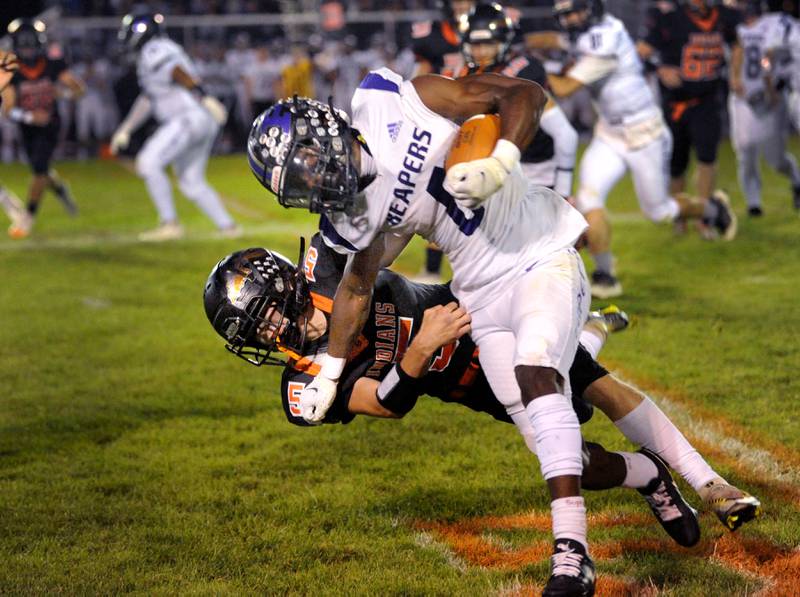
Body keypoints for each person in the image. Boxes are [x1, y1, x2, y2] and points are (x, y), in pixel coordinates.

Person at [246, 74, 600, 594]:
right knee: (554, 411)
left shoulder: (386, 100)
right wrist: (333, 368)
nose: (316, 187)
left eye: (310, 169)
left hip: (516, 256)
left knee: (564, 380)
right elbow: (359, 288)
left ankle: (573, 551)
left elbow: (526, 94)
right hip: (472, 301)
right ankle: (655, 477)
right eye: (301, 187)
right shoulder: (346, 223)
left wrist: (499, 159)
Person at [202, 235, 761, 540]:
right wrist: (421, 349)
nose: (272, 333)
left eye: (268, 315)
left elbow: (375, 233)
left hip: (474, 312)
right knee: (573, 459)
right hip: (468, 380)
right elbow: (383, 405)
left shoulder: (331, 268)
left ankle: (708, 482)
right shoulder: (301, 384)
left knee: (594, 387)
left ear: (288, 285)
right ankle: (648, 473)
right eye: (258, 332)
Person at [531, 0, 736, 299]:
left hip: (644, 135)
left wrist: (533, 69)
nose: (573, 19)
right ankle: (605, 274)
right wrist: (521, 41)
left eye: (576, 11)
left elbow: (563, 88)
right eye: (566, 15)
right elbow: (554, 40)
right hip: (609, 133)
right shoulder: (584, 33)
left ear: (592, 9)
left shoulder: (607, 37)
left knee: (660, 212)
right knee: (589, 199)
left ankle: (712, 208)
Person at [111, 12, 240, 242]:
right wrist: (126, 128)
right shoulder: (151, 55)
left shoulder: (155, 48)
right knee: (191, 181)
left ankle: (169, 223)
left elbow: (177, 71)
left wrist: (204, 96)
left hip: (187, 117)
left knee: (148, 162)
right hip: (197, 119)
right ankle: (228, 226)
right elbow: (149, 98)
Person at [638, 0, 740, 215]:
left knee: (707, 158)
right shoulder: (670, 15)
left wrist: (735, 75)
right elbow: (640, 52)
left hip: (707, 99)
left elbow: (737, 43)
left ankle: (704, 215)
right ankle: (680, 216)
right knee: (677, 166)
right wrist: (660, 69)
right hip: (675, 102)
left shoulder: (723, 15)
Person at [2, 19, 84, 240]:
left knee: (39, 170)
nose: (28, 49)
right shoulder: (11, 69)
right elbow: (8, 110)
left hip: (51, 124)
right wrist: (30, 116)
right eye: (23, 44)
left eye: (31, 44)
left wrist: (62, 94)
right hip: (27, 127)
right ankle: (60, 189)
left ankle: (27, 217)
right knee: (41, 170)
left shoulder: (52, 64)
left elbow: (78, 89)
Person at [412, 0, 475, 283]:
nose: (464, 5)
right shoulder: (431, 35)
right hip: (443, 120)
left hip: (478, 116)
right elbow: (420, 76)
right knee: (439, 190)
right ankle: (433, 269)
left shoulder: (489, 25)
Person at [730, 0, 800, 215]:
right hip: (743, 97)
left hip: (770, 99)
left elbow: (767, 58)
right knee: (745, 150)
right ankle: (754, 203)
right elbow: (737, 50)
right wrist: (734, 77)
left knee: (776, 159)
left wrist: (770, 83)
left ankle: (797, 181)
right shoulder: (729, 23)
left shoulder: (776, 23)